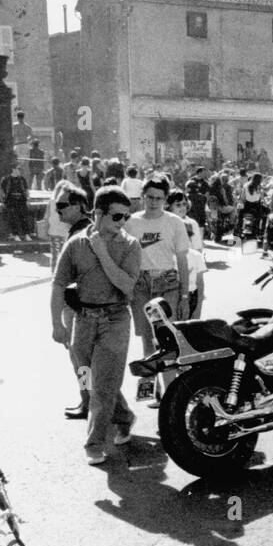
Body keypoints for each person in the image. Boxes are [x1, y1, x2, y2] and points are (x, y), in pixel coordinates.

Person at [50, 186, 141, 466]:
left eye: (126, 217)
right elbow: (58, 284)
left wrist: (102, 252)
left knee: (101, 387)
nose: (122, 223)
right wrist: (57, 324)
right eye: (116, 217)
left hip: (115, 319)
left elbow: (127, 285)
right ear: (98, 213)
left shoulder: (130, 245)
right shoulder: (76, 244)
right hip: (84, 320)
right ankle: (124, 416)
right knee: (90, 378)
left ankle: (94, 444)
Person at [126, 175, 188, 403]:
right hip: (141, 285)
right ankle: (151, 392)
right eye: (150, 197)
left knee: (166, 340)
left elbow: (182, 259)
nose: (153, 202)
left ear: (165, 199)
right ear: (143, 196)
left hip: (167, 283)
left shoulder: (174, 222)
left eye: (159, 198)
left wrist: (184, 294)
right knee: (146, 339)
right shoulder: (131, 222)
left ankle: (171, 394)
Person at [49, 183, 95, 419]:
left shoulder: (83, 234)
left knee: (81, 360)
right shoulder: (81, 230)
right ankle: (89, 400)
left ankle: (90, 402)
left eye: (62, 206)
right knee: (81, 360)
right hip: (78, 306)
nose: (58, 211)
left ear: (79, 206)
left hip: (79, 308)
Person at [0, 164, 33, 240]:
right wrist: (2, 201)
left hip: (22, 200)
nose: (20, 170)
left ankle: (27, 234)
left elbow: (26, 190)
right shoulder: (6, 179)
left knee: (24, 217)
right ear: (13, 169)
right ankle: (15, 235)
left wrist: (28, 199)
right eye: (18, 169)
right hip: (11, 201)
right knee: (13, 218)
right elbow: (0, 190)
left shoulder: (22, 179)